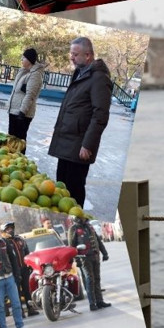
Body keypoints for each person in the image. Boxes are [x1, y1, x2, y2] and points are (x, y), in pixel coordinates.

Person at [48, 37, 112, 208]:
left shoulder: (99, 78)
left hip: (80, 145)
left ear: (88, 55)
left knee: (74, 190)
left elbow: (100, 115)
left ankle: (76, 222)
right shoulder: (80, 73)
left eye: (75, 54)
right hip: (67, 140)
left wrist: (88, 145)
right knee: (61, 186)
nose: (72, 57)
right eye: (71, 53)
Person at [68, 213, 110, 311]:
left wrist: (104, 253)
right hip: (84, 258)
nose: (84, 218)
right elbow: (72, 247)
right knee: (89, 280)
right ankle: (92, 303)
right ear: (77, 217)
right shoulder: (73, 229)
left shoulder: (89, 226)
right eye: (81, 216)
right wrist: (76, 260)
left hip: (95, 256)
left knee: (97, 278)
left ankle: (100, 301)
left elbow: (98, 240)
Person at [7, 48, 46, 146]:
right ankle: (11, 159)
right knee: (11, 140)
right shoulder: (24, 72)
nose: (21, 59)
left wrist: (22, 112)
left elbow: (30, 95)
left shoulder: (35, 75)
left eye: (23, 58)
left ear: (29, 60)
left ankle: (19, 159)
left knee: (19, 141)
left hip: (22, 114)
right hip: (14, 110)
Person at [0, 221, 39, 316]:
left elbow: (27, 252)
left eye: (11, 228)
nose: (10, 230)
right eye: (7, 229)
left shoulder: (19, 239)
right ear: (3, 231)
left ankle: (30, 308)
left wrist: (30, 265)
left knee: (27, 289)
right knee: (15, 292)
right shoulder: (2, 243)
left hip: (24, 269)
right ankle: (19, 311)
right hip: (12, 271)